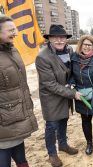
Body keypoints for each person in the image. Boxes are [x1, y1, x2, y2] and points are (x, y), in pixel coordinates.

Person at [35, 24, 80, 167]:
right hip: (51, 97)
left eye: (62, 37)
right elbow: (50, 84)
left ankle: (63, 144)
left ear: (66, 39)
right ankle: (52, 154)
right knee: (52, 125)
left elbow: (71, 71)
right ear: (49, 39)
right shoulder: (43, 57)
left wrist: (72, 83)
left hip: (65, 94)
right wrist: (72, 93)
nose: (60, 40)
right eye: (56, 38)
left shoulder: (69, 50)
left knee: (63, 120)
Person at [0, 15, 38, 167]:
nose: (15, 33)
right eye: (11, 30)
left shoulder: (13, 50)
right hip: (4, 119)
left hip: (17, 116)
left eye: (15, 29)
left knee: (20, 154)